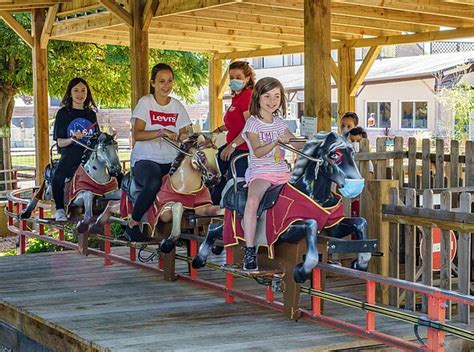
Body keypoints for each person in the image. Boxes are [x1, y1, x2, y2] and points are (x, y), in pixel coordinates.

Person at [126, 63, 192, 241]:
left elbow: (188, 130)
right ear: (153, 83)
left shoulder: (177, 105)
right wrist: (161, 132)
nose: (166, 85)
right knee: (154, 180)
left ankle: (189, 227)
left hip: (172, 160)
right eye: (161, 81)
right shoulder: (145, 103)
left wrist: (184, 135)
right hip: (146, 159)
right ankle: (133, 224)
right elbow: (137, 134)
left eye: (170, 81)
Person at [241, 77, 295, 271]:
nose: (272, 101)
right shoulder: (253, 124)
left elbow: (296, 143)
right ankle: (249, 249)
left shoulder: (279, 122)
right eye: (267, 96)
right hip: (261, 172)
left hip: (283, 171)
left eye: (277, 96)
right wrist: (276, 142)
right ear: (258, 97)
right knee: (253, 201)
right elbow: (257, 151)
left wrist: (314, 142)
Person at [52, 77, 100, 221]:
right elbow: (60, 142)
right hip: (71, 152)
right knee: (58, 175)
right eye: (76, 90)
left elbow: (96, 137)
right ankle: (59, 208)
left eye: (83, 90)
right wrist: (72, 139)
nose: (80, 94)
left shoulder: (91, 114)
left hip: (89, 154)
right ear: (70, 93)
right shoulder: (63, 113)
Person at [211, 61, 256, 204]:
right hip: (233, 146)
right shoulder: (236, 97)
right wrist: (217, 131)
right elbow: (235, 123)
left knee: (234, 187)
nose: (234, 80)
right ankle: (214, 211)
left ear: (247, 78)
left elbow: (249, 127)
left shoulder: (247, 96)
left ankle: (229, 215)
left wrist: (233, 146)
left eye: (238, 77)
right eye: (231, 77)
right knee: (213, 174)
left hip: (243, 150)